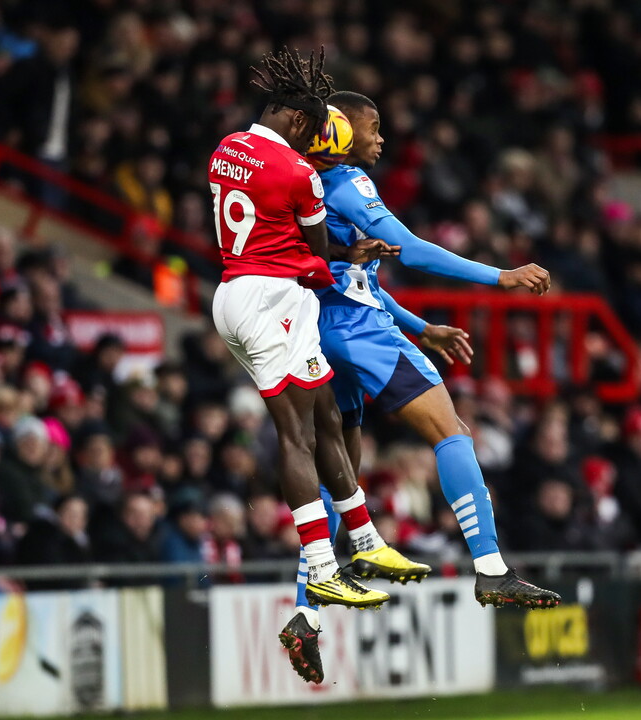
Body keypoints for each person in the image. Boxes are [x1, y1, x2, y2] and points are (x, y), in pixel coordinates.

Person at [281, 91, 561, 684]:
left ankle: (305, 613)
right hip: (358, 332)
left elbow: (349, 273)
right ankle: (490, 568)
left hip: (317, 330)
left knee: (341, 478)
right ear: (339, 130)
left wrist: (420, 325)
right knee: (452, 431)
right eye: (373, 126)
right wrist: (500, 276)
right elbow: (410, 247)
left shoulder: (302, 183)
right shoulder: (347, 181)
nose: (381, 138)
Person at [208, 49, 427, 625]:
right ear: (300, 124)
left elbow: (282, 238)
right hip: (270, 300)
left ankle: (364, 536)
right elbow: (317, 252)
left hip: (236, 289)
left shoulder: (227, 148)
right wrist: (349, 253)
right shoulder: (299, 173)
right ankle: (324, 567)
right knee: (299, 433)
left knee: (327, 414)